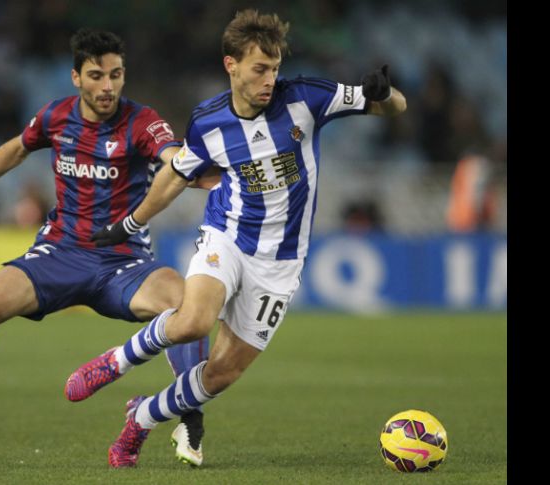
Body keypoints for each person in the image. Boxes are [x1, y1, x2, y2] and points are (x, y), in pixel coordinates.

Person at [65, 9, 407, 468]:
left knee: (222, 373)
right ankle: (115, 362)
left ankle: (142, 418)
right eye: (259, 69)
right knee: (191, 322)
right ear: (231, 65)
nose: (270, 79)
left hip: (281, 261)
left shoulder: (306, 97)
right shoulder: (208, 122)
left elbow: (393, 106)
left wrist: (382, 96)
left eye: (275, 68)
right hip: (226, 235)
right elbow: (174, 176)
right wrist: (130, 222)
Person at [0, 28, 214, 466]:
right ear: (76, 77)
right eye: (97, 75)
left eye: (116, 75)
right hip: (60, 253)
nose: (108, 86)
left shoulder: (142, 122)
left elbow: (175, 161)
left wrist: (210, 177)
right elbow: (15, 149)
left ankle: (188, 415)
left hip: (122, 260)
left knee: (187, 306)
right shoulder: (56, 117)